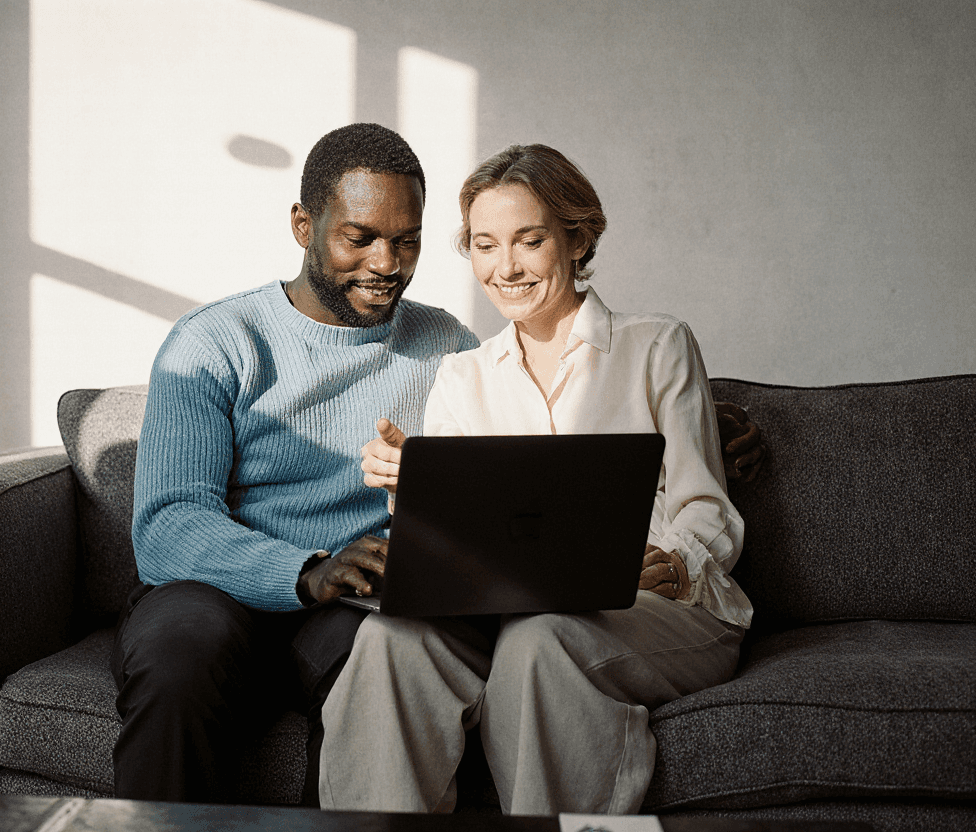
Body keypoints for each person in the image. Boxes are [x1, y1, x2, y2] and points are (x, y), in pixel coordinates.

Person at [320, 144, 756, 815]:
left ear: (576, 240)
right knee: (388, 638)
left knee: (539, 641)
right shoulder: (463, 375)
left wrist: (679, 561)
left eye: (530, 241)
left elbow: (704, 503)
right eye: (486, 245)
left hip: (656, 609)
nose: (507, 267)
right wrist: (416, 488)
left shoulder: (657, 345)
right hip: (505, 608)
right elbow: (460, 543)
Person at [111, 122, 480, 803]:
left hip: (357, 602)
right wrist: (304, 571)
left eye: (407, 241)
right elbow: (168, 525)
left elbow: (524, 449)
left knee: (398, 671)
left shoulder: (449, 345)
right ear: (303, 225)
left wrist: (688, 422)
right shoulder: (214, 342)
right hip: (217, 591)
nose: (387, 263)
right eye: (360, 237)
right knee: (176, 657)